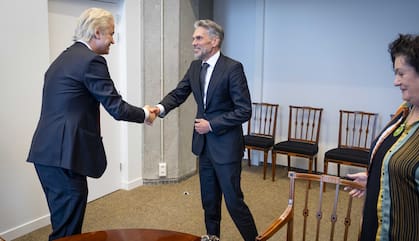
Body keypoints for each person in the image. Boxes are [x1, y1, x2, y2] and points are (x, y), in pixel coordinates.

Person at [27, 8, 155, 241]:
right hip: (63, 156)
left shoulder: (63, 58)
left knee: (63, 221)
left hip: (46, 153)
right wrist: (145, 113)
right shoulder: (92, 61)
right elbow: (116, 108)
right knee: (67, 232)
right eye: (111, 34)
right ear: (97, 33)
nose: (113, 41)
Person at [149, 19, 258, 241]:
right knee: (209, 201)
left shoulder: (232, 68)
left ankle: (254, 239)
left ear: (214, 41)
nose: (194, 43)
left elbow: (244, 110)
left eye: (198, 38)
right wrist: (159, 108)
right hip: (204, 147)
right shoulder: (195, 67)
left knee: (233, 201)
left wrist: (212, 125)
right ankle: (212, 238)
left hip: (226, 148)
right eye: (193, 38)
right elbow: (179, 93)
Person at [346, 33, 419, 241]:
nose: (395, 81)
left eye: (401, 73)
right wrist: (379, 178)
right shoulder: (405, 110)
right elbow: (400, 160)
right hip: (376, 229)